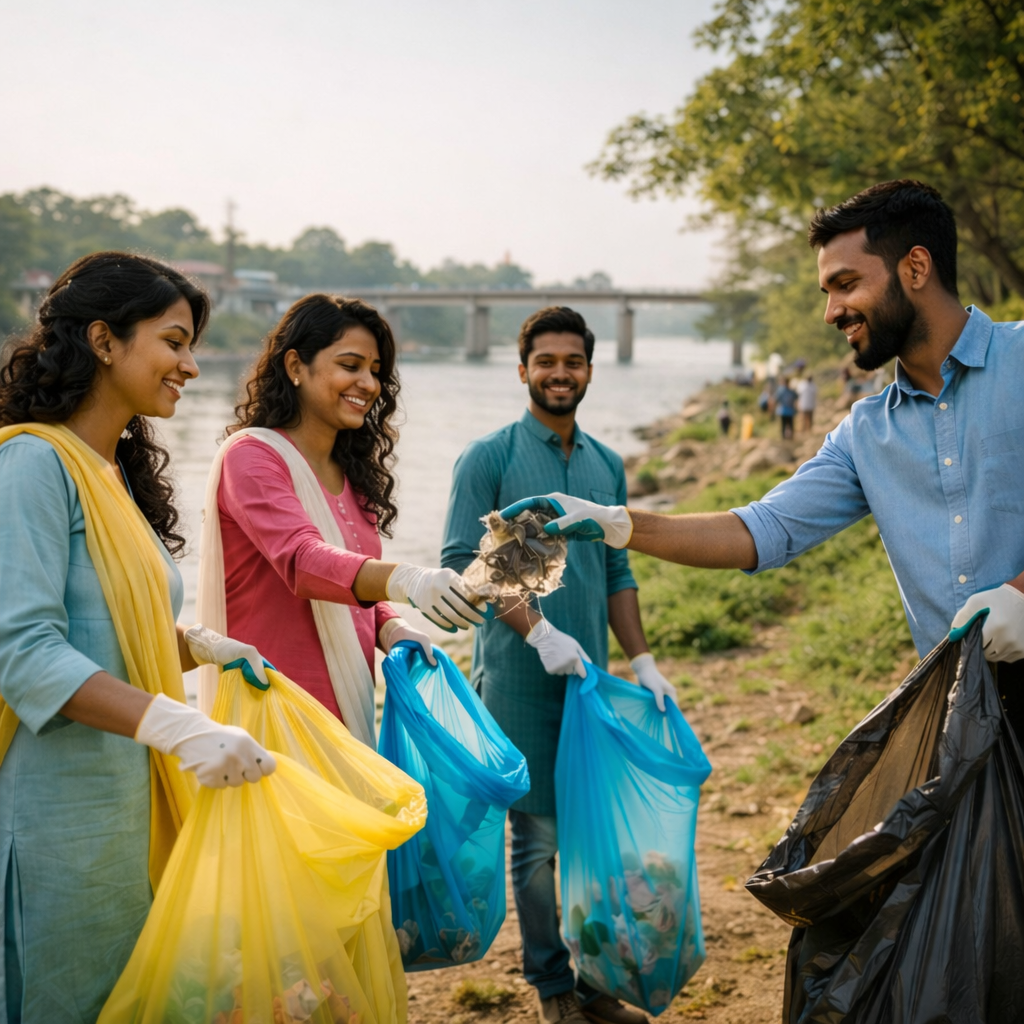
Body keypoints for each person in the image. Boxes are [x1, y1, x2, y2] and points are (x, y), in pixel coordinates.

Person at [504, 179, 1024, 740]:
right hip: (966, 724)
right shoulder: (866, 433)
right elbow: (762, 530)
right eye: (827, 291)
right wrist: (617, 523)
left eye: (845, 284)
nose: (832, 312)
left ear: (915, 268)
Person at [0, 252, 276, 1022]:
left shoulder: (110, 471)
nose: (191, 365)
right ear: (104, 340)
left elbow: (111, 629)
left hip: (130, 797)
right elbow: (23, 652)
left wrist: (195, 645)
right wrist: (177, 723)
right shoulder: (30, 466)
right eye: (175, 341)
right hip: (59, 811)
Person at [441, 306, 676, 1024]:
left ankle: (598, 985)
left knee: (591, 839)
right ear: (523, 371)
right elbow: (461, 563)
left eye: (572, 362)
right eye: (546, 361)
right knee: (537, 841)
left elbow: (617, 574)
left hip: (589, 688)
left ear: (589, 371)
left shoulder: (606, 464)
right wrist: (537, 629)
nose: (559, 373)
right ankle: (552, 991)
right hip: (517, 682)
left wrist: (642, 659)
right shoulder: (489, 457)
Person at [195, 293, 489, 743]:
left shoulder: (353, 473)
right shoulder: (252, 458)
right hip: (272, 717)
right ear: (295, 366)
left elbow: (351, 587)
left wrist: (391, 625)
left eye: (375, 371)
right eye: (350, 366)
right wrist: (408, 579)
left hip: (346, 718)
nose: (368, 384)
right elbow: (304, 561)